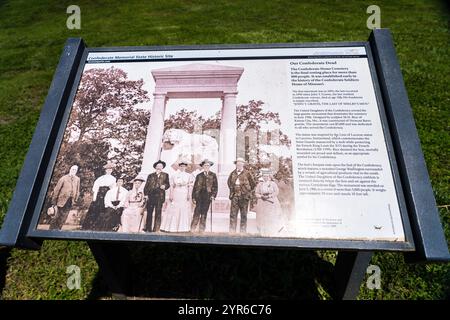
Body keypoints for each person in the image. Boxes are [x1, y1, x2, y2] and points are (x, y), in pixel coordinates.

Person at [161, 160, 194, 232]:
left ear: (186, 167)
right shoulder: (174, 175)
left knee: (183, 207)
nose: (182, 167)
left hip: (184, 192)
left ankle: (183, 227)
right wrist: (171, 194)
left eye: (184, 166)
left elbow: (190, 186)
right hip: (176, 192)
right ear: (179, 167)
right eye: (181, 166)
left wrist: (189, 194)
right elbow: (172, 186)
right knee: (174, 207)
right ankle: (171, 227)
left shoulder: (189, 175)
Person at [81, 162, 116, 230]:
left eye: (111, 170)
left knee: (104, 210)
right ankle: (90, 226)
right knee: (95, 209)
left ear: (112, 170)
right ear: (106, 170)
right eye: (108, 169)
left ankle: (100, 227)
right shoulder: (100, 178)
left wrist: (111, 198)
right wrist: (94, 197)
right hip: (99, 194)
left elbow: (113, 189)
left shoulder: (113, 179)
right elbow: (96, 188)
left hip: (107, 194)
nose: (109, 171)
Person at [227, 157, 256, 233]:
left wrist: (247, 191)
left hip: (244, 196)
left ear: (243, 164)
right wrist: (233, 190)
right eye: (237, 164)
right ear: (236, 164)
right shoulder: (232, 173)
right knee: (233, 214)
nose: (239, 165)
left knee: (243, 215)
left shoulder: (247, 173)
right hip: (234, 196)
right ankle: (232, 232)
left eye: (240, 164)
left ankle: (242, 232)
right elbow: (229, 183)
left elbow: (253, 184)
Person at [49, 165, 80, 230]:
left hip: (70, 201)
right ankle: (51, 230)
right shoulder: (63, 178)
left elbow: (77, 190)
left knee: (64, 217)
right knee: (56, 217)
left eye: (75, 170)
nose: (73, 170)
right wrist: (54, 202)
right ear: (70, 169)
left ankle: (58, 230)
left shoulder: (77, 179)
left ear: (76, 171)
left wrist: (75, 199)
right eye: (72, 169)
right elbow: (56, 190)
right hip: (60, 201)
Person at [191, 159, 218, 233]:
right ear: (202, 166)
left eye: (208, 165)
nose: (206, 167)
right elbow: (195, 187)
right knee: (197, 212)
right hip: (199, 196)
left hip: (208, 196)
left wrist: (213, 195)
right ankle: (192, 228)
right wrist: (193, 197)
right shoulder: (199, 175)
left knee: (204, 213)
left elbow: (215, 187)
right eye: (205, 165)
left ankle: (201, 229)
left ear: (209, 166)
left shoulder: (213, 175)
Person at [255, 168, 284, 237]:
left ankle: (273, 231)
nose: (265, 178)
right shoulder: (260, 184)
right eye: (264, 176)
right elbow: (256, 193)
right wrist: (261, 196)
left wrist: (269, 196)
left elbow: (276, 192)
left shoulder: (273, 184)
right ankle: (263, 232)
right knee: (263, 217)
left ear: (269, 176)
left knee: (271, 216)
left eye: (267, 176)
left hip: (272, 202)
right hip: (262, 203)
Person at [143, 160, 170, 232]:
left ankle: (156, 228)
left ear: (162, 167)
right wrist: (146, 195)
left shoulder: (165, 175)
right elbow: (146, 186)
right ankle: (148, 228)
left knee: (158, 212)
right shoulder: (150, 175)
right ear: (155, 167)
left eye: (161, 166)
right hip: (151, 196)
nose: (159, 167)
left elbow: (168, 184)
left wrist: (164, 186)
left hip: (160, 196)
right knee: (149, 212)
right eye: (158, 166)